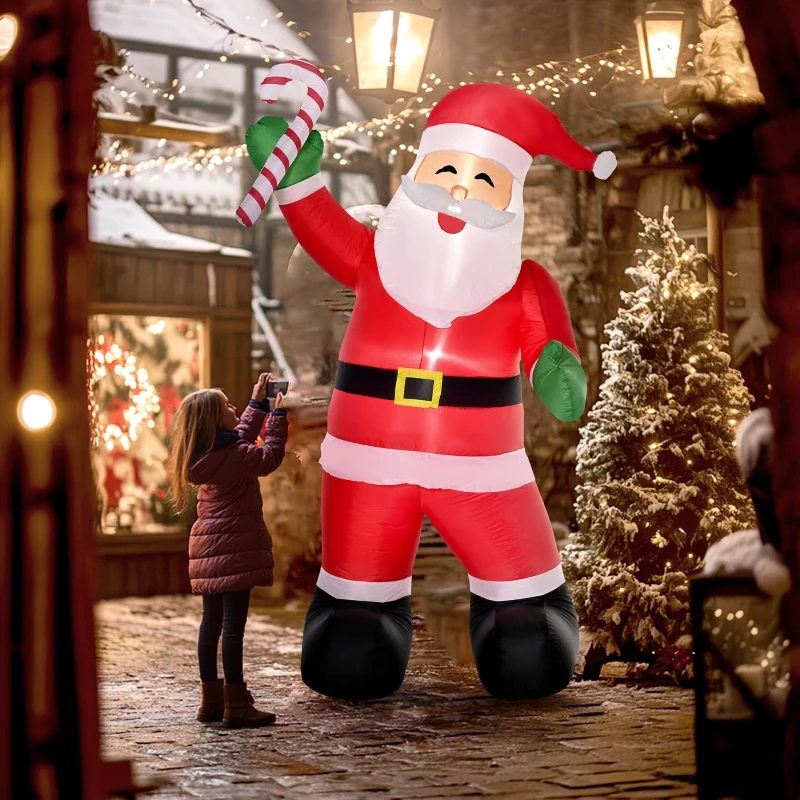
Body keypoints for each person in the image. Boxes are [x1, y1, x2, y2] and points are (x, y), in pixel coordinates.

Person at [245, 80, 617, 701]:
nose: (459, 195)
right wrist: (297, 178)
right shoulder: (376, 256)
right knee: (355, 620)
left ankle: (523, 612)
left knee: (523, 625)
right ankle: (358, 612)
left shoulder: (522, 282)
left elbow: (549, 346)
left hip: (482, 468)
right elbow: (321, 226)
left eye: (483, 183)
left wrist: (556, 367)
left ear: (512, 200)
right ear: (418, 175)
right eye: (445, 173)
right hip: (369, 462)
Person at [165, 373, 288, 727]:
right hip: (232, 547)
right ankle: (237, 704)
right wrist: (277, 416)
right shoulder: (233, 455)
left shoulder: (210, 453)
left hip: (208, 549)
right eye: (227, 406)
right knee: (234, 627)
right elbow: (268, 457)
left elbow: (241, 440)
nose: (234, 407)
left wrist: (257, 403)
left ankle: (211, 700)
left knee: (212, 624)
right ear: (215, 421)